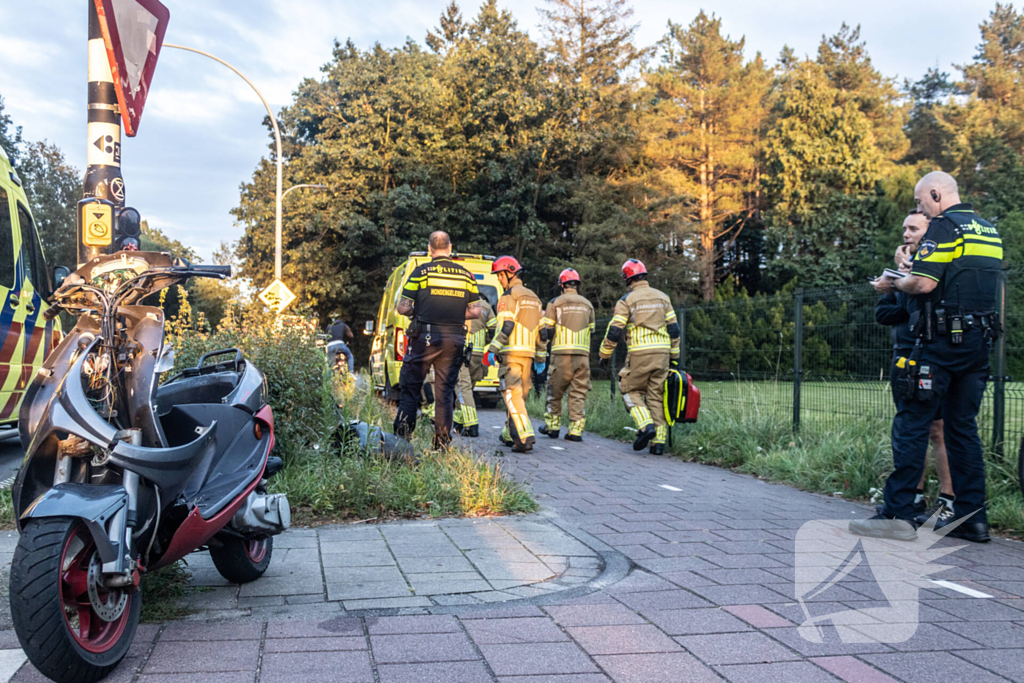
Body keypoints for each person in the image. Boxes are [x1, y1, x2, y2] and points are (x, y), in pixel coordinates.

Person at [851, 171, 1002, 543]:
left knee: (912, 422)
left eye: (921, 203)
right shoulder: (987, 230)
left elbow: (923, 283)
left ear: (936, 194)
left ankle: (899, 514)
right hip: (979, 344)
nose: (921, 210)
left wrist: (893, 283)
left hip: (939, 344)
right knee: (962, 428)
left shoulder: (944, 226)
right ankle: (972, 517)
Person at [874, 210, 954, 526]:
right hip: (902, 357)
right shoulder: (902, 273)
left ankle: (949, 500)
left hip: (932, 357)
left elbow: (919, 305)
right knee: (912, 429)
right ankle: (915, 498)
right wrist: (897, 282)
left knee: (939, 429)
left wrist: (901, 283)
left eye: (913, 228)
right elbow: (885, 314)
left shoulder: (933, 271)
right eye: (904, 229)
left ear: (930, 233)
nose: (906, 234)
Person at [393, 231, 481, 449]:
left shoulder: (421, 272)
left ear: (430, 249)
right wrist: (456, 314)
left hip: (425, 338)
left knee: (411, 387)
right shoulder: (466, 275)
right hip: (453, 340)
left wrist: (421, 310)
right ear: (450, 248)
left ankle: (402, 439)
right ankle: (441, 443)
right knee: (445, 392)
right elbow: (476, 311)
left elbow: (402, 307)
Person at [599, 259, 680, 455]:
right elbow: (674, 329)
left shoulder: (627, 300)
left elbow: (615, 330)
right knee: (656, 396)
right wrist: (674, 356)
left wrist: (605, 353)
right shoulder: (664, 298)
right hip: (662, 354)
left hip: (639, 353)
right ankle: (658, 443)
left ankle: (645, 426)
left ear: (627, 278)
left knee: (629, 389)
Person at [483, 256, 545, 452]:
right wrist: (541, 356)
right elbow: (542, 332)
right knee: (520, 397)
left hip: (511, 354)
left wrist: (492, 349)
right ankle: (511, 435)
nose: (499, 280)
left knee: (511, 395)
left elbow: (507, 326)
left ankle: (525, 438)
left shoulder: (509, 296)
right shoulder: (534, 297)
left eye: (499, 276)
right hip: (528, 355)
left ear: (508, 274)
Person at [537, 268, 595, 442]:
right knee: (578, 393)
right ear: (577, 284)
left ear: (562, 285)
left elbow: (547, 329)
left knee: (554, 391)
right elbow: (591, 330)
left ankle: (553, 427)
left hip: (562, 354)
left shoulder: (556, 303)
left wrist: (545, 347)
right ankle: (576, 430)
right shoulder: (588, 304)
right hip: (583, 356)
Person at [454, 298, 496, 438]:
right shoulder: (486, 306)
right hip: (477, 353)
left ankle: (471, 425)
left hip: (462, 351)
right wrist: (486, 343)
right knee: (468, 388)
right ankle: (457, 421)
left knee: (463, 388)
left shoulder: (458, 302)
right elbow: (493, 330)